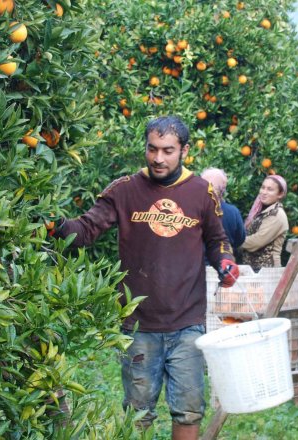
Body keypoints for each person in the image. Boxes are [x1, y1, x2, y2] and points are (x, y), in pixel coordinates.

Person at [53, 116, 239, 440]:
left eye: (168, 150)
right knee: (138, 412)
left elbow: (217, 239)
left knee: (189, 407)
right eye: (152, 149)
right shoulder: (125, 190)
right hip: (138, 325)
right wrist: (55, 224)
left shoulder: (201, 192)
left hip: (187, 321)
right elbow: (86, 229)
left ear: (183, 150)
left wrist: (225, 260)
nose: (158, 158)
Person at [239, 175, 289, 271]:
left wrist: (233, 241)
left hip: (268, 271)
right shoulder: (260, 211)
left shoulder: (277, 214)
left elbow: (256, 241)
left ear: (280, 194)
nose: (264, 192)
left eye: (270, 189)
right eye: (263, 187)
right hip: (253, 269)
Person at [200, 167, 245, 249]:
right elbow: (239, 240)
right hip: (224, 259)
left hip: (198, 261)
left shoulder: (191, 210)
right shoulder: (233, 212)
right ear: (223, 189)